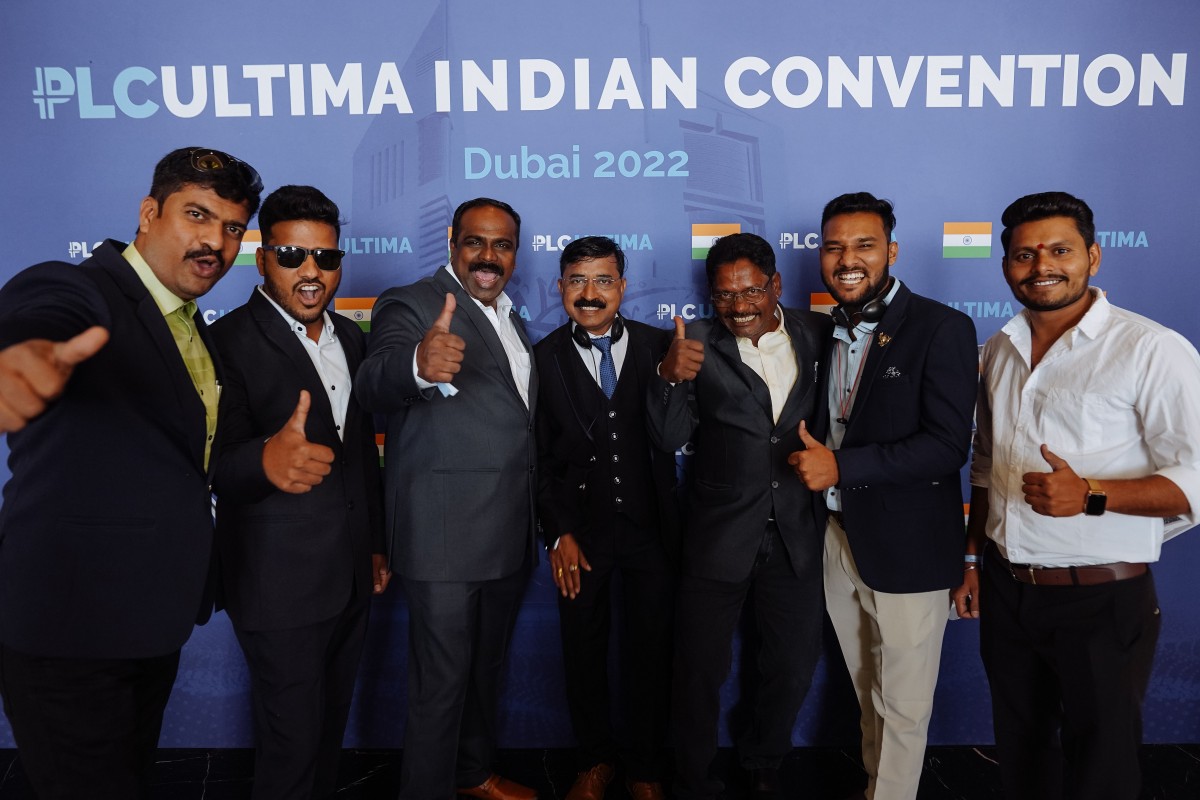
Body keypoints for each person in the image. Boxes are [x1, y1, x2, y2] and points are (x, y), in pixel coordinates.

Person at [0, 146, 262, 798]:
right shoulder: (85, 289)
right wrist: (26, 351)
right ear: (149, 213)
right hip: (69, 624)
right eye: (197, 215)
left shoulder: (190, 324)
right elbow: (42, 309)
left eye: (232, 227)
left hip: (149, 620)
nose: (216, 241)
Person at [952, 191, 1200, 799]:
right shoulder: (1000, 349)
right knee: (1023, 757)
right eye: (1024, 255)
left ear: (1093, 256)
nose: (1042, 266)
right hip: (1008, 590)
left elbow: (1195, 479)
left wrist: (1092, 494)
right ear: (1006, 265)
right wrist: (973, 559)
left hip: (1101, 599)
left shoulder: (1149, 348)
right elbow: (986, 468)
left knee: (1101, 771)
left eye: (1060, 251)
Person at [789, 193, 978, 800]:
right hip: (837, 540)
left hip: (910, 547)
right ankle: (879, 789)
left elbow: (947, 446)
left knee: (904, 703)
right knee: (866, 688)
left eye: (864, 245)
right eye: (834, 247)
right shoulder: (822, 330)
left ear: (892, 251)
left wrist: (840, 466)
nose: (847, 259)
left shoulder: (941, 327)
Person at [209, 185, 391, 799]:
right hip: (276, 584)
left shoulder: (353, 338)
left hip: (352, 575)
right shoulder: (225, 342)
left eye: (326, 257)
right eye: (292, 256)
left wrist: (374, 545)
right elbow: (214, 466)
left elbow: (362, 454)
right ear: (262, 259)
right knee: (290, 745)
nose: (311, 272)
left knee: (328, 732)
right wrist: (266, 459)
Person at [355, 198, 539, 800]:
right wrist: (417, 363)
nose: (489, 256)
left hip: (508, 533)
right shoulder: (411, 303)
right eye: (476, 242)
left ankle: (473, 773)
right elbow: (373, 381)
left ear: (514, 254)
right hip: (442, 537)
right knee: (439, 686)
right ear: (453, 242)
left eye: (502, 245)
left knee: (485, 673)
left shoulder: (512, 318)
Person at [648, 232, 831, 800]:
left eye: (751, 290)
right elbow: (667, 438)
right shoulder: (694, 343)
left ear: (775, 285)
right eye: (725, 295)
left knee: (791, 666)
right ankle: (693, 780)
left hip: (798, 532)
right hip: (718, 534)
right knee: (699, 670)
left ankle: (764, 761)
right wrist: (668, 379)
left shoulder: (820, 333)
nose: (739, 305)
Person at [534, 236, 678, 800]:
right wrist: (558, 533)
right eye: (577, 280)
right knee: (582, 651)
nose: (589, 293)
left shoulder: (659, 346)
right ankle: (593, 761)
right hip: (581, 534)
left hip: (651, 533)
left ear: (623, 286)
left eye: (602, 280)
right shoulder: (541, 358)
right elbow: (538, 458)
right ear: (560, 287)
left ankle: (645, 767)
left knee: (652, 651)